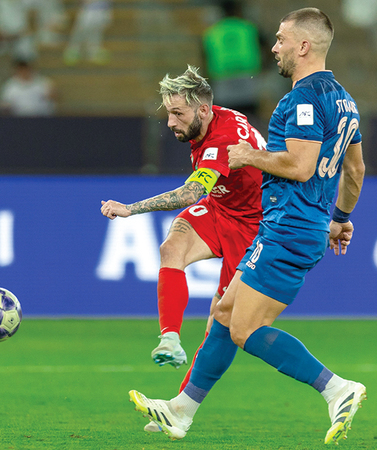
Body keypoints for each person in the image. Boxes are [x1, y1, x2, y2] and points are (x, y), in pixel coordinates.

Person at [128, 8, 368, 445]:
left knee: (244, 330)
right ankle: (181, 411)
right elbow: (355, 170)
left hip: (289, 226)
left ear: (303, 46)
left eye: (281, 39)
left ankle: (336, 389)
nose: (273, 47)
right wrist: (340, 218)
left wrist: (248, 156)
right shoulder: (344, 100)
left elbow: (300, 166)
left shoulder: (302, 101)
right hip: (300, 225)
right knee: (224, 313)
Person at [100, 65, 266, 429]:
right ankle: (170, 339)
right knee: (171, 247)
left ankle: (180, 410)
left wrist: (131, 208)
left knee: (221, 325)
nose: (171, 122)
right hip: (223, 208)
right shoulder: (211, 119)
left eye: (178, 113)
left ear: (203, 110)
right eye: (168, 113)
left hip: (253, 227)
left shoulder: (221, 139)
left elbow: (191, 193)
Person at [201, 0, 263, 121]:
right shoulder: (248, 28)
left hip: (222, 79)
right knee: (250, 117)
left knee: (226, 118)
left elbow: (205, 57)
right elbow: (265, 48)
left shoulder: (212, 32)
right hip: (247, 76)